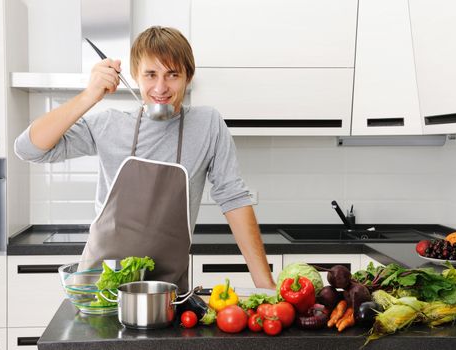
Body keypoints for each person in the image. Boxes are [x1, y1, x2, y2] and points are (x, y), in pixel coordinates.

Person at [15, 26, 275, 291]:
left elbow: (234, 199)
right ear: (135, 77)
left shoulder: (208, 125)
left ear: (188, 77)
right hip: (100, 288)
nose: (160, 87)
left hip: (166, 292)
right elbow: (29, 148)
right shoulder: (110, 125)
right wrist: (89, 95)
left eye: (172, 75)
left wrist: (265, 287)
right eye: (151, 74)